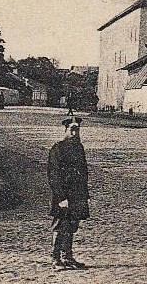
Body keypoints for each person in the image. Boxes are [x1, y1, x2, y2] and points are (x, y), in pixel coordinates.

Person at [47, 116, 90, 270]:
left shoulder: (79, 148)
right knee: (60, 226)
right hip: (63, 195)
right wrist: (61, 197)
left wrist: (85, 195)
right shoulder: (58, 149)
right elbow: (54, 175)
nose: (74, 133)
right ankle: (56, 259)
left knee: (72, 225)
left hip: (77, 195)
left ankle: (68, 257)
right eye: (71, 130)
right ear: (65, 130)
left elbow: (83, 173)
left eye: (77, 130)